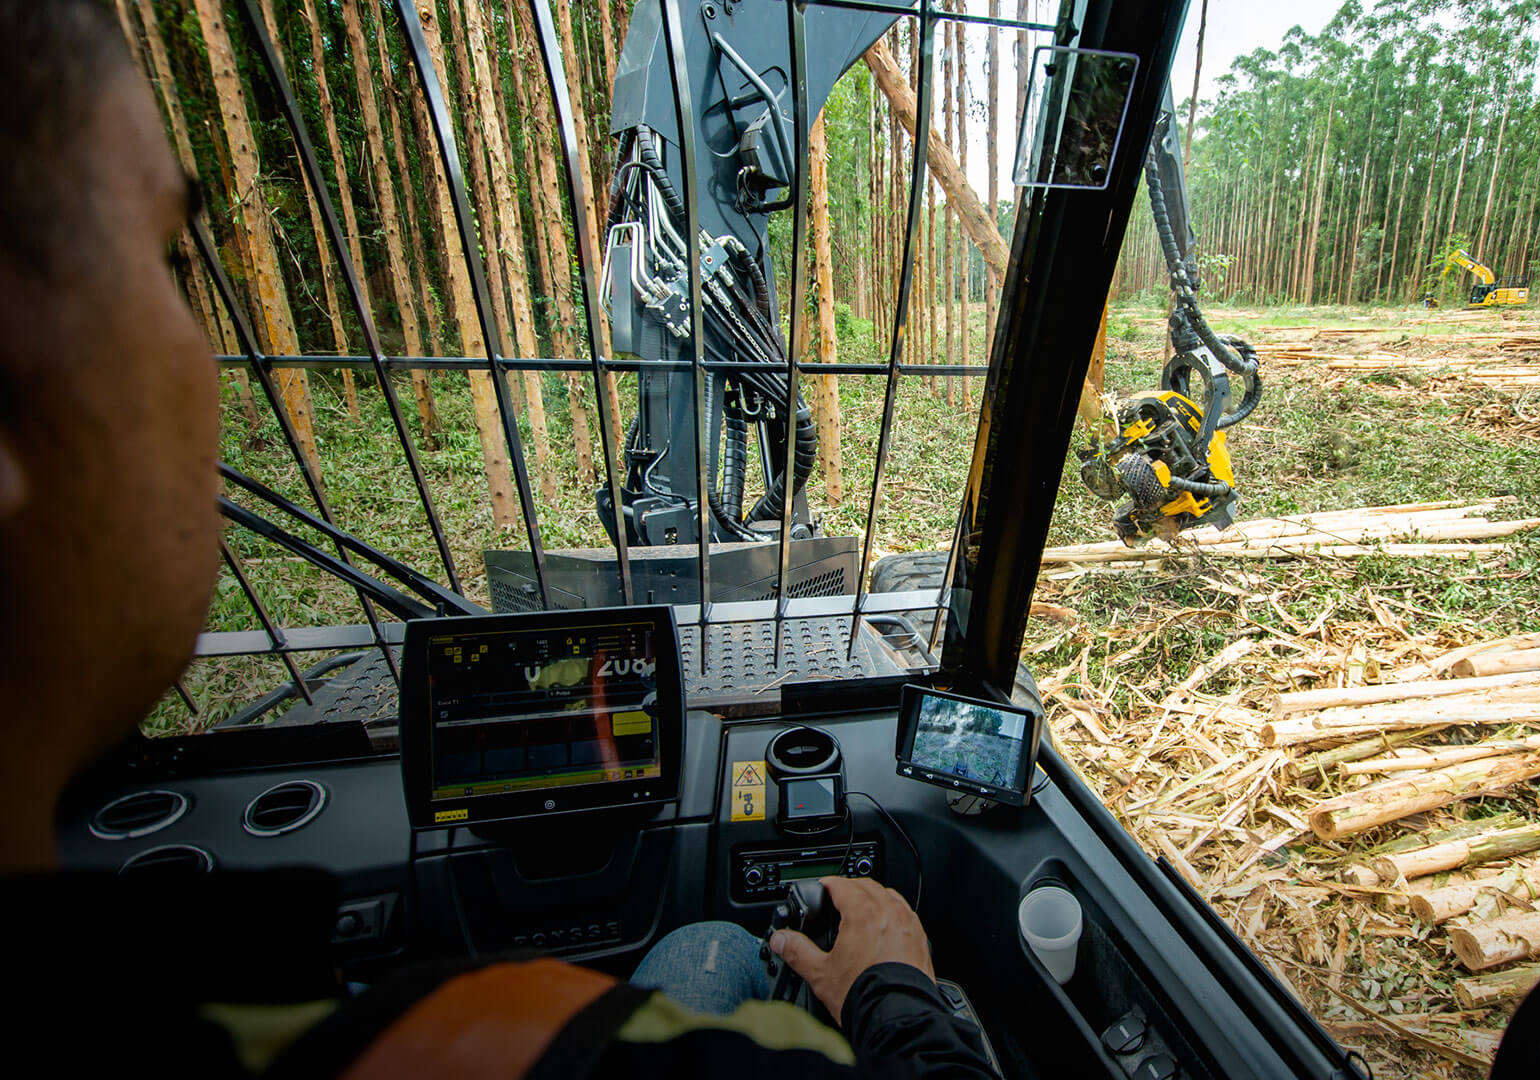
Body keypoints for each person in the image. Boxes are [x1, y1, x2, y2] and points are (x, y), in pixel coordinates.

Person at [0, 3, 994, 1076]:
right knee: (712, 947)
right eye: (164, 261)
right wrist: (898, 999)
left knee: (704, 945)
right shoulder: (509, 1045)